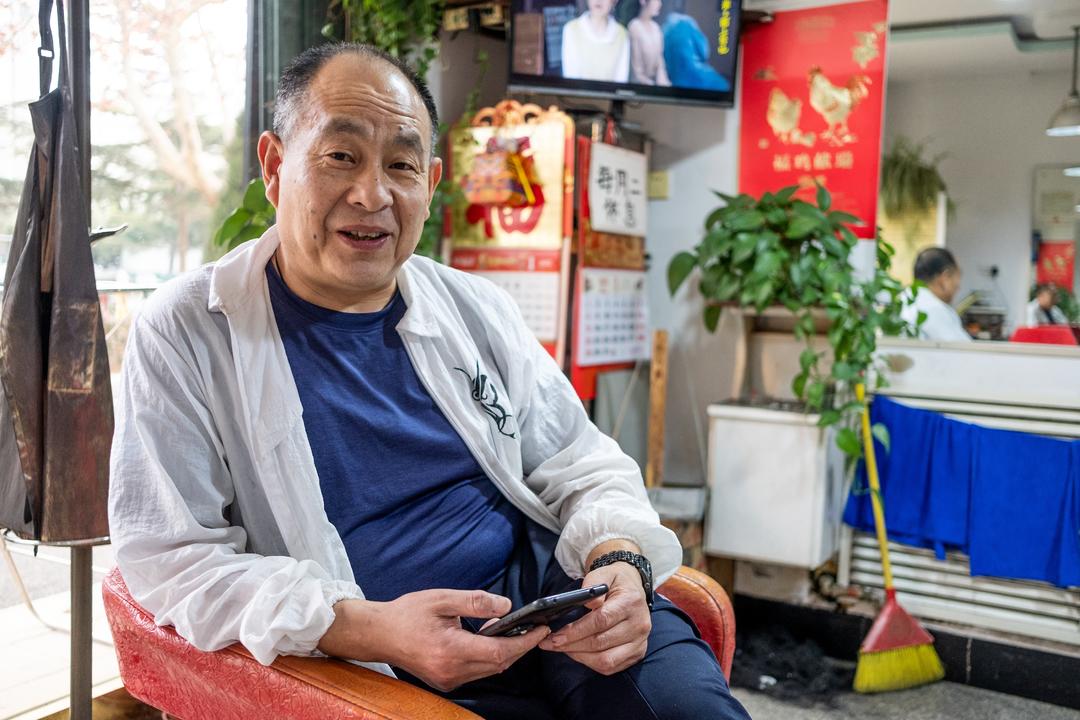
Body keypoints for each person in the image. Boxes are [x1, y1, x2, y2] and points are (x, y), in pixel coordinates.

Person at [108, 42, 750, 720]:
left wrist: (619, 558)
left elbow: (578, 458)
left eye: (401, 165)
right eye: (341, 156)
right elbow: (173, 557)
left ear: (431, 181)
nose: (372, 195)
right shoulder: (188, 330)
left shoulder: (472, 306)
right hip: (383, 663)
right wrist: (366, 629)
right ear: (274, 166)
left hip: (555, 603)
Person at [901, 247, 972, 342]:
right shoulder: (934, 309)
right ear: (945, 277)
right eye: (958, 277)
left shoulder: (903, 298)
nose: (958, 287)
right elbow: (963, 348)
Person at [662, 0, 730, 91]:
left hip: (674, 80)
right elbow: (704, 52)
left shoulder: (664, 29)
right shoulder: (689, 23)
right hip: (698, 78)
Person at [561, 0, 630, 82]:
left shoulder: (622, 34)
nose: (599, 1)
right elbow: (571, 78)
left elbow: (621, 80)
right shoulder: (571, 29)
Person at [628, 0, 671, 86]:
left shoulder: (656, 28)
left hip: (655, 86)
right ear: (643, 1)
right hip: (639, 86)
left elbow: (660, 63)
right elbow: (636, 73)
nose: (660, 4)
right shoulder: (634, 27)